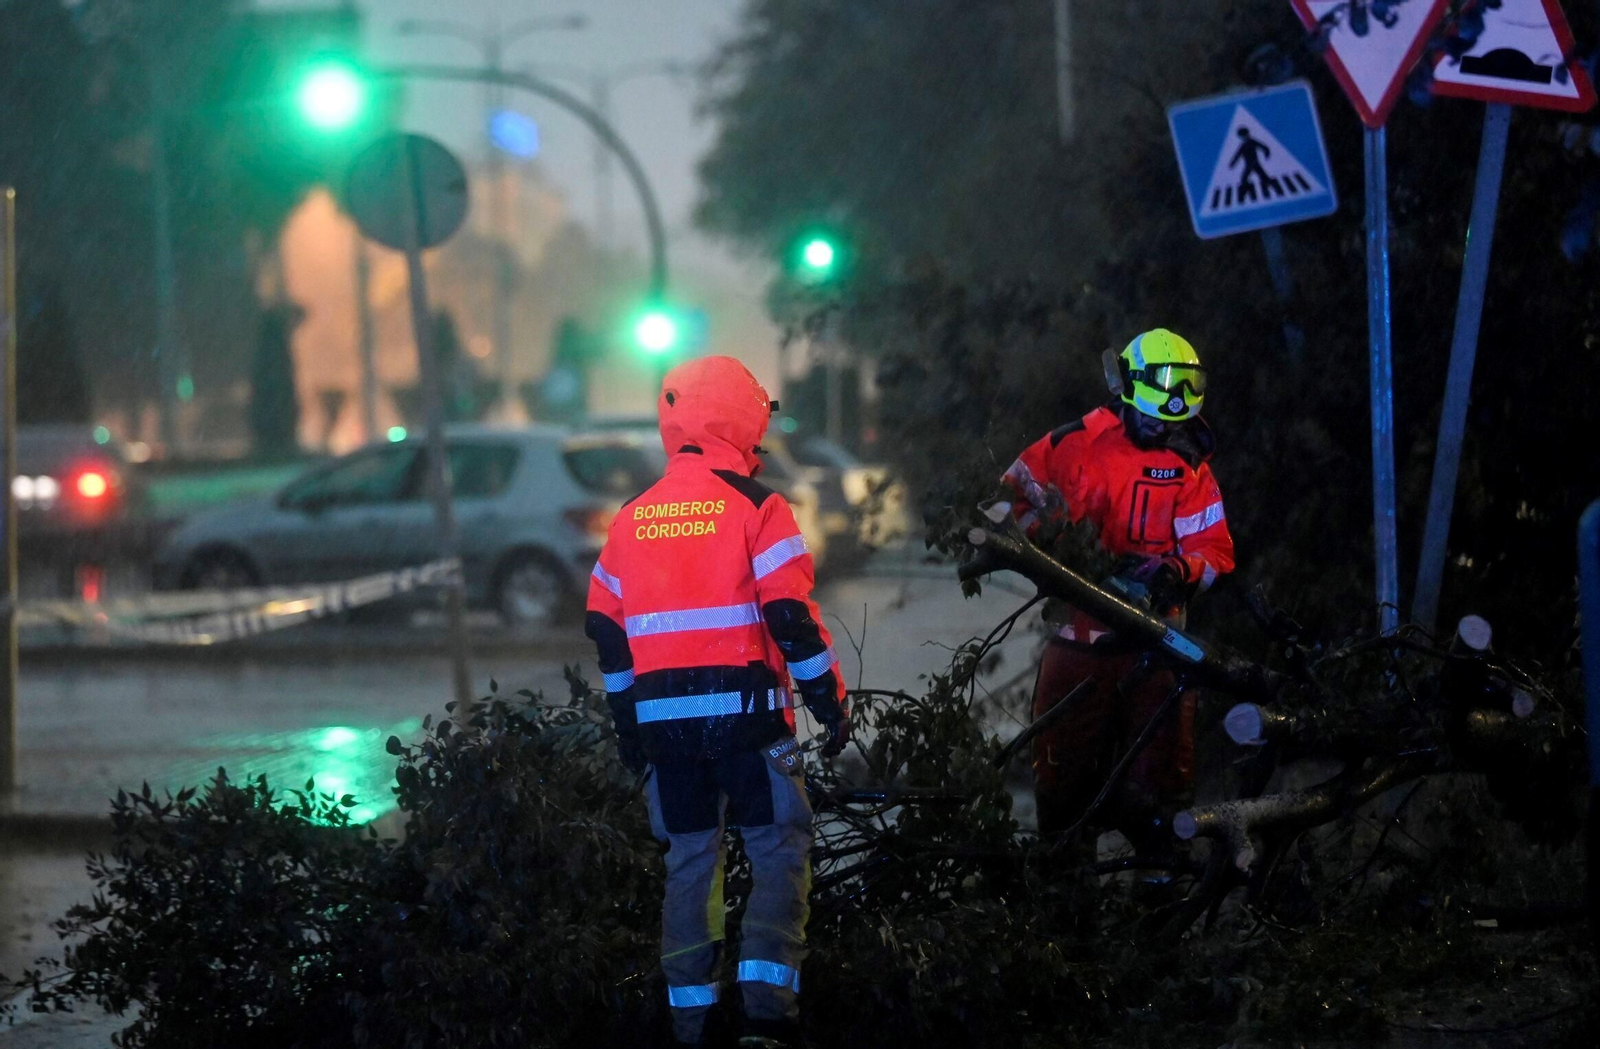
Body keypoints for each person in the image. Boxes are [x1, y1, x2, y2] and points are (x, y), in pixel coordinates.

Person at [586, 355, 850, 1049]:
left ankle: (691, 1021)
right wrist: (830, 702)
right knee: (777, 850)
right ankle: (766, 1015)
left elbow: (607, 635)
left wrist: (627, 731)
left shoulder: (631, 519)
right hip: (751, 724)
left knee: (689, 863)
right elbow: (790, 617)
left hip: (666, 738)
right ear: (742, 419)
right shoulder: (758, 506)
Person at [998, 328, 1235, 854]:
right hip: (1080, 639)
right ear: (1125, 392)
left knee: (1163, 791)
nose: (1160, 427)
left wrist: (1179, 571)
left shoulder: (1190, 464)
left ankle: (1159, 903)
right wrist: (1046, 533)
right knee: (1062, 783)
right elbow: (1006, 505)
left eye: (1171, 419)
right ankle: (1066, 906)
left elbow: (1215, 550)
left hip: (1160, 648)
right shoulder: (1070, 445)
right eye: (1152, 416)